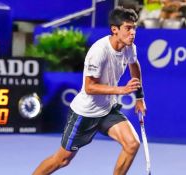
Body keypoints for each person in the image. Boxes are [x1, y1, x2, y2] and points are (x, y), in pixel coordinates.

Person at [33, 7, 147, 175]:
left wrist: (139, 98)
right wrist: (121, 90)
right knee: (62, 160)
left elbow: (134, 66)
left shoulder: (129, 47)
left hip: (107, 111)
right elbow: (90, 87)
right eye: (128, 28)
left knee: (132, 144)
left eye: (134, 28)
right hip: (85, 114)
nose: (132, 33)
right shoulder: (99, 51)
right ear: (114, 29)